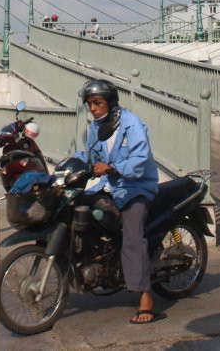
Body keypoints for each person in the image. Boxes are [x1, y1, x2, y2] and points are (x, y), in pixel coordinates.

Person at [74, 79, 163, 325]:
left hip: (135, 187)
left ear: (111, 103)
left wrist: (113, 167)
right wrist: (71, 165)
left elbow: (141, 158)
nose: (92, 108)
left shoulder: (130, 123)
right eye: (89, 104)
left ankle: (146, 297)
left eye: (97, 103)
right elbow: (89, 155)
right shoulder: (96, 127)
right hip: (109, 186)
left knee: (132, 236)